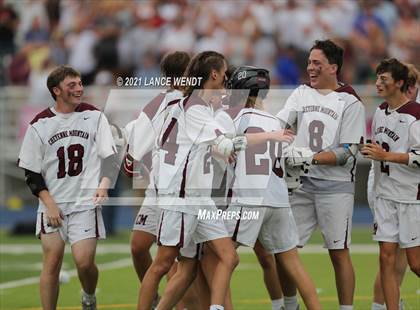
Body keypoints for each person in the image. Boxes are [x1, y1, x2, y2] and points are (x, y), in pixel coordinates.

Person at [18, 65, 118, 310]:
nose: (79, 89)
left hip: (85, 203)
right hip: (52, 203)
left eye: (80, 83)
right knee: (52, 262)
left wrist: (104, 185)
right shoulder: (39, 124)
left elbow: (109, 157)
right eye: (71, 85)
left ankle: (89, 295)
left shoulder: (95, 116)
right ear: (56, 90)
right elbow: (31, 172)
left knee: (84, 262)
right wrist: (49, 203)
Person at [276, 39, 366, 310]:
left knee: (339, 252)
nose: (310, 68)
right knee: (285, 250)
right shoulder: (300, 93)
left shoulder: (350, 101)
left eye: (317, 63)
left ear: (333, 67)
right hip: (299, 183)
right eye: (309, 62)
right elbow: (278, 126)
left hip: (335, 185)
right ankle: (289, 305)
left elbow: (347, 152)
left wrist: (309, 156)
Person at [223, 65, 321, 310]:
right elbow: (290, 158)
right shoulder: (275, 121)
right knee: (293, 263)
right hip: (278, 199)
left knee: (218, 258)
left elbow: (220, 147)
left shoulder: (235, 119)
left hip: (248, 199)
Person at [124, 50, 191, 309]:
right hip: (158, 190)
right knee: (139, 247)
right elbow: (137, 141)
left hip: (185, 191)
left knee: (178, 259)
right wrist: (132, 156)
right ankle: (153, 299)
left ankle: (180, 304)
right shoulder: (158, 104)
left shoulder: (197, 103)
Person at [362, 58, 420, 310]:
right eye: (377, 78)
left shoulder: (415, 116)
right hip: (384, 196)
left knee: (415, 263)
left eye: (383, 79)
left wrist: (386, 156)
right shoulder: (379, 112)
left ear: (399, 83)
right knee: (385, 258)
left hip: (410, 198)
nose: (378, 83)